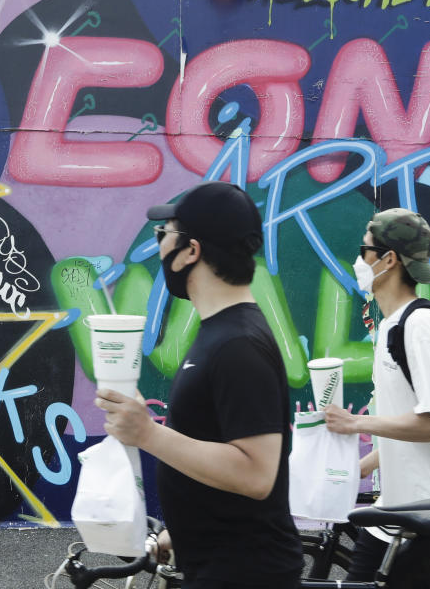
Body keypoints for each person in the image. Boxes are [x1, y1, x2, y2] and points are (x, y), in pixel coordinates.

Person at [95, 181, 302, 589]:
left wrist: (147, 433)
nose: (159, 248)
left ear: (191, 250)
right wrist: (183, 534)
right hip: (217, 566)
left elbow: (257, 474)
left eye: (164, 235)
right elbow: (215, 446)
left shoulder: (239, 345)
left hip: (244, 575)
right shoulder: (222, 332)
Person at [323, 208, 430, 589]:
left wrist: (356, 423)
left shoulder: (422, 326)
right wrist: (362, 466)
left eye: (363, 250)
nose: (358, 260)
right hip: (395, 513)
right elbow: (410, 421)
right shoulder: (392, 326)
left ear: (389, 259)